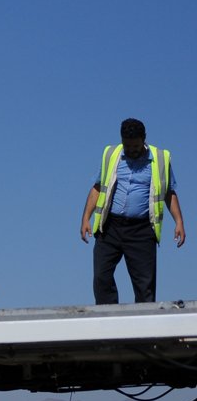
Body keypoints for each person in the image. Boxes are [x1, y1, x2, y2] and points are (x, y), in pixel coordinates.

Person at [80, 118, 185, 304]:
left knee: (145, 285)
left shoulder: (160, 159)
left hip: (142, 231)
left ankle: (143, 329)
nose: (131, 150)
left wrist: (179, 222)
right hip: (110, 227)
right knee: (101, 277)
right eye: (127, 146)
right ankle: (109, 322)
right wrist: (85, 219)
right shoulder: (111, 154)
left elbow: (169, 193)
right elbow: (98, 187)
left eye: (135, 146)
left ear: (144, 140)